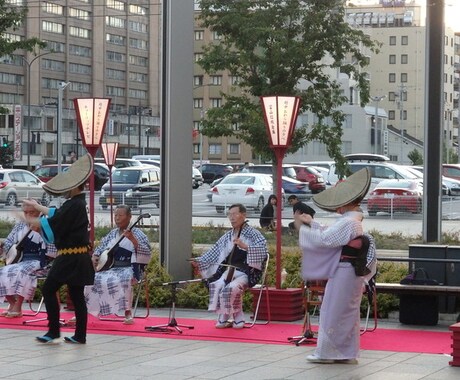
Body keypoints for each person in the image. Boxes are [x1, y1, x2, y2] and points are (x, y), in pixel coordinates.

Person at [294, 168, 376, 364]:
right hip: (348, 271)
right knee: (345, 312)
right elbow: (330, 235)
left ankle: (328, 353)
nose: (337, 207)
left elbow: (325, 240)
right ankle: (345, 352)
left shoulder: (349, 222)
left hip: (345, 271)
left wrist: (303, 228)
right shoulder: (351, 220)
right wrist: (312, 223)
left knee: (333, 311)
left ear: (346, 203)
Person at [23, 153, 95, 344]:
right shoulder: (77, 203)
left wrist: (34, 220)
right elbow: (59, 215)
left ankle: (54, 331)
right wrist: (38, 207)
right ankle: (79, 335)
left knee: (49, 289)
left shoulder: (74, 204)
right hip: (78, 257)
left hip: (70, 257)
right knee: (77, 295)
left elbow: (57, 220)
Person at [195, 203, 268, 329]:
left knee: (232, 288)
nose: (232, 217)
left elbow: (263, 251)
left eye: (235, 214)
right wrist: (199, 261)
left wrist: (245, 246)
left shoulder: (253, 234)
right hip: (228, 271)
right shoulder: (228, 235)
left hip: (245, 272)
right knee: (217, 285)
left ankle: (230, 316)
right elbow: (215, 251)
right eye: (230, 215)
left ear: (244, 215)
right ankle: (230, 315)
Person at [84, 205, 151, 324]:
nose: (117, 218)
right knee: (93, 278)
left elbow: (146, 252)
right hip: (112, 267)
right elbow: (101, 248)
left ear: (129, 217)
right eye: (115, 215)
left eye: (120, 215)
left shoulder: (138, 233)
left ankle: (128, 313)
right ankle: (84, 312)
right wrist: (95, 256)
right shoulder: (113, 233)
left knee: (124, 279)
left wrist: (133, 240)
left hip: (130, 268)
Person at [0, 201, 57, 318]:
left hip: (41, 261)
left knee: (22, 272)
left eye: (32, 212)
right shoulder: (20, 225)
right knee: (1, 272)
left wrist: (40, 233)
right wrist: (2, 245)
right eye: (26, 212)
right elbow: (10, 242)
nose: (29, 215)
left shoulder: (46, 224)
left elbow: (53, 249)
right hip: (21, 260)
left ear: (40, 211)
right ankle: (12, 303)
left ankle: (18, 306)